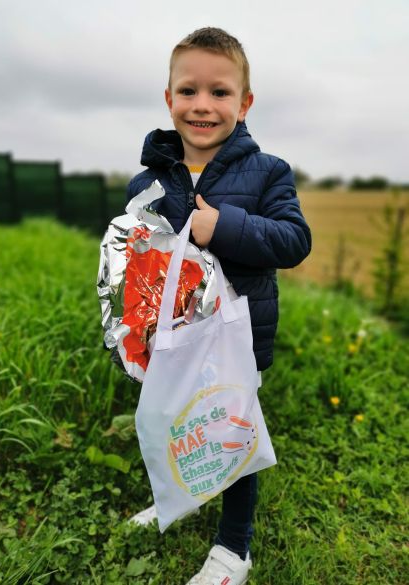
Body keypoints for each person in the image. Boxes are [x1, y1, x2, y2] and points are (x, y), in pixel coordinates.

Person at [126, 27, 312, 585]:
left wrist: (221, 225)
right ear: (169, 99)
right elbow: (136, 258)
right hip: (171, 339)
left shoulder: (268, 172)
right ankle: (176, 496)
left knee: (231, 430)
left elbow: (293, 241)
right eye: (188, 91)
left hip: (237, 338)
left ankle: (235, 547)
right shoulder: (148, 178)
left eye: (220, 92)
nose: (202, 105)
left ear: (245, 102)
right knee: (170, 421)